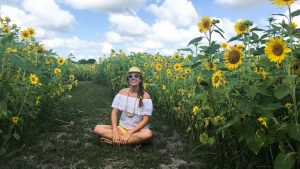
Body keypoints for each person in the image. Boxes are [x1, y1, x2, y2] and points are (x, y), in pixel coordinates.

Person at [94, 67, 153, 146]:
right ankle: (133, 141)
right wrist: (115, 130)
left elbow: (145, 120)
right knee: (97, 128)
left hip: (137, 130)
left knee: (148, 133)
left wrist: (129, 132)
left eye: (136, 75)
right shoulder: (122, 93)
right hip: (121, 129)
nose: (133, 78)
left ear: (140, 79)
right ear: (128, 79)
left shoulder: (146, 96)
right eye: (130, 76)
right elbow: (114, 111)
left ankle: (114, 141)